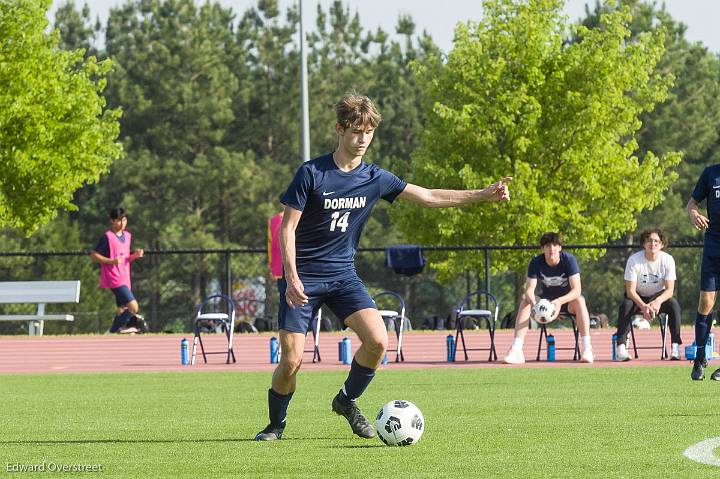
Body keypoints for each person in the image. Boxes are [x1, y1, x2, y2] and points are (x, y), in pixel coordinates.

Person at [254, 93, 511, 441]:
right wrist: (292, 278)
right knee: (292, 360)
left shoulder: (375, 177)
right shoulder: (312, 173)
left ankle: (347, 400)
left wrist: (482, 194)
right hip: (304, 277)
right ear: (340, 129)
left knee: (378, 341)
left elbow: (430, 197)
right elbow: (288, 228)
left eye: (369, 132)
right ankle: (275, 426)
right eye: (356, 131)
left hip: (343, 275)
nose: (362, 140)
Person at [502, 232, 594, 364]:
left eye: (555, 245)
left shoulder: (569, 260)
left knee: (580, 300)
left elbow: (577, 290)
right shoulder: (535, 262)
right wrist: (534, 302)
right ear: (542, 248)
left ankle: (587, 349)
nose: (552, 249)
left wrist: (558, 302)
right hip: (545, 302)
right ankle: (516, 350)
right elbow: (529, 290)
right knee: (525, 301)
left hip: (566, 302)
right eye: (548, 246)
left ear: (560, 247)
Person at [614, 228, 682, 361]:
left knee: (674, 305)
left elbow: (669, 290)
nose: (653, 244)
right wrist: (643, 306)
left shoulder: (668, 260)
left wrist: (657, 302)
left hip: (658, 297)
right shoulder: (634, 260)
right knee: (625, 305)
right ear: (643, 243)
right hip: (637, 297)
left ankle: (675, 347)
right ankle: (621, 347)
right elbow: (630, 291)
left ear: (662, 244)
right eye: (649, 240)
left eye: (657, 241)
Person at [688, 164, 720, 380]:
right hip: (713, 244)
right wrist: (694, 214)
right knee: (706, 303)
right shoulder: (711, 173)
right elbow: (692, 204)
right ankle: (700, 358)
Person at [90, 207, 145, 334]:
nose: (122, 224)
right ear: (112, 221)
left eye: (124, 220)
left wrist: (135, 255)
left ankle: (115, 331)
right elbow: (93, 255)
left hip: (125, 278)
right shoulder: (107, 237)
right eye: (119, 221)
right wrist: (111, 261)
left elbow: (126, 259)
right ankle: (114, 330)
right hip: (114, 277)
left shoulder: (127, 236)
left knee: (122, 309)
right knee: (133, 307)